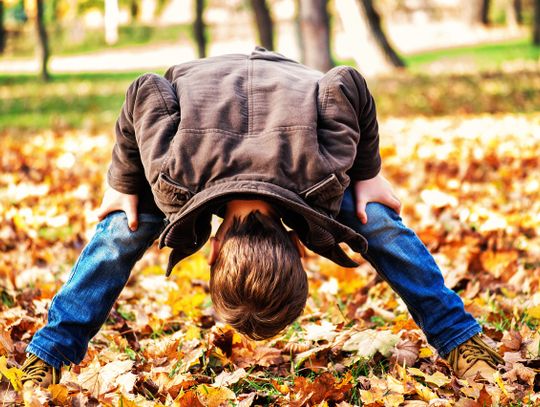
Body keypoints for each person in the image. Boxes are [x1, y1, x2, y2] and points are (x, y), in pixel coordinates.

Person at [21, 47, 502, 387]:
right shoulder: (176, 177)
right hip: (217, 100)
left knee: (371, 214)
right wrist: (122, 186)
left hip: (279, 87)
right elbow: (144, 91)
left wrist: (367, 177)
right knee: (123, 225)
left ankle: (458, 338)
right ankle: (48, 353)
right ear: (213, 251)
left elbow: (346, 83)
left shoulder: (320, 176)